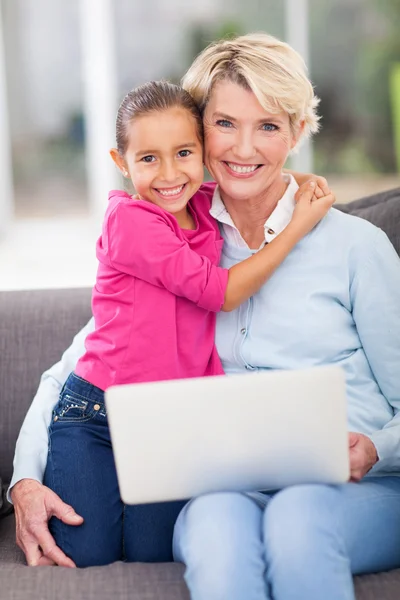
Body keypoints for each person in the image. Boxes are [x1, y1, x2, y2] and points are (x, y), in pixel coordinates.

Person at [9, 30, 400, 599]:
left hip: (351, 486)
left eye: (268, 125)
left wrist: (377, 448)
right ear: (199, 132)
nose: (244, 149)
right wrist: (24, 481)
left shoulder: (354, 248)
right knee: (216, 538)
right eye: (224, 124)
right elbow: (77, 370)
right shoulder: (173, 236)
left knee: (298, 526)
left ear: (297, 131)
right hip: (226, 487)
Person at [40, 78, 332, 568]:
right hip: (95, 416)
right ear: (120, 162)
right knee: (85, 553)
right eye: (148, 158)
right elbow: (222, 293)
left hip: (171, 424)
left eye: (183, 153)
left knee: (157, 554)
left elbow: (259, 175)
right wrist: (298, 226)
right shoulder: (131, 222)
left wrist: (304, 182)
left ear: (203, 154)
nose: (170, 173)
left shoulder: (201, 202)